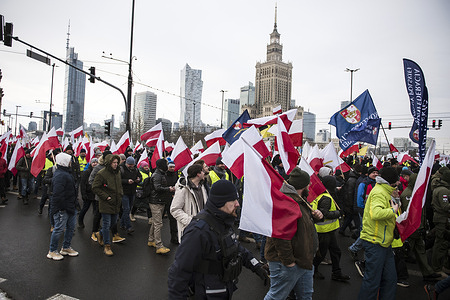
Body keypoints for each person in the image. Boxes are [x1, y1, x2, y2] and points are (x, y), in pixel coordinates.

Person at [168, 180, 268, 299]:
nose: (237, 204)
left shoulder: (223, 221)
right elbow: (178, 272)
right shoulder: (198, 231)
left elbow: (236, 248)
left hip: (224, 290)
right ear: (221, 202)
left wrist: (256, 266)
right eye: (233, 200)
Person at [264, 167, 323, 300]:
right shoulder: (286, 202)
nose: (310, 186)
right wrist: (289, 262)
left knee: (305, 296)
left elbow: (301, 224)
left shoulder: (300, 199)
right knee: (277, 296)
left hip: (303, 260)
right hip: (286, 262)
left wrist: (315, 217)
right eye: (308, 184)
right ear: (303, 186)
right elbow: (280, 236)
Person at [358, 166, 400, 300]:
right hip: (375, 242)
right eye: (397, 180)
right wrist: (393, 210)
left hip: (384, 242)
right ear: (392, 180)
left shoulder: (387, 191)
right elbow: (376, 214)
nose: (399, 182)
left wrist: (396, 201)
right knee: (372, 281)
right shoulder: (379, 192)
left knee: (390, 280)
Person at [400, 173, 441, 282]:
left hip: (418, 228)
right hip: (412, 229)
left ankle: (427, 273)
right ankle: (398, 276)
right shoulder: (408, 194)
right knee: (404, 253)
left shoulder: (417, 193)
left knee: (421, 251)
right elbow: (409, 213)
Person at [312, 175, 350, 282]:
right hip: (324, 231)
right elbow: (324, 214)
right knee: (321, 254)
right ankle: (312, 271)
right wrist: (339, 213)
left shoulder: (324, 194)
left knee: (335, 251)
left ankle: (336, 272)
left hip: (329, 230)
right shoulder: (326, 198)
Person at [46, 153, 78, 260]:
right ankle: (52, 250)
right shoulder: (60, 175)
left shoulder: (66, 173)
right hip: (62, 208)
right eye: (69, 160)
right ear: (64, 162)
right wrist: (62, 208)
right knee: (59, 229)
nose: (71, 162)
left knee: (70, 227)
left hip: (71, 206)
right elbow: (58, 194)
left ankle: (66, 247)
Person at [92, 154, 123, 256]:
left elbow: (119, 185)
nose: (115, 164)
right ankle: (107, 246)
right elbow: (95, 187)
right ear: (109, 163)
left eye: (117, 162)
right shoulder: (101, 173)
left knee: (112, 223)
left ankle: (99, 234)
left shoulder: (117, 172)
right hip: (106, 203)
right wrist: (106, 196)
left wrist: (120, 195)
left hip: (116, 202)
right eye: (113, 163)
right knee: (106, 224)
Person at [170, 164, 208, 243]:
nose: (204, 173)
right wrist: (191, 222)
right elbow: (174, 209)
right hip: (190, 230)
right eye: (202, 171)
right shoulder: (183, 189)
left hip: (203, 228)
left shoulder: (202, 186)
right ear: (198, 174)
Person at [148, 158, 174, 254]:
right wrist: (169, 189)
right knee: (158, 224)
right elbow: (157, 188)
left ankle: (151, 240)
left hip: (160, 201)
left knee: (156, 222)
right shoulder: (157, 175)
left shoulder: (161, 174)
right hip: (156, 202)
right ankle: (159, 246)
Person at [431, 169, 450, 277]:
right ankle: (436, 268)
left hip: (441, 219)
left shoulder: (442, 188)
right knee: (440, 244)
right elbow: (445, 206)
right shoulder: (443, 190)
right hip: (441, 219)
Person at [119, 156, 141, 234]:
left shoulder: (135, 169)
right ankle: (128, 227)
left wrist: (138, 180)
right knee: (126, 209)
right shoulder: (121, 169)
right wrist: (127, 181)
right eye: (129, 165)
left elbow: (140, 176)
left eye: (132, 165)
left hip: (132, 191)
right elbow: (118, 180)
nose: (131, 166)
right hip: (124, 192)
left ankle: (122, 224)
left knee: (128, 208)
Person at [78, 158, 99, 228]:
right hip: (88, 194)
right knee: (85, 209)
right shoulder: (86, 172)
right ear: (91, 163)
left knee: (96, 211)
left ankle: (97, 225)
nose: (95, 164)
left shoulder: (98, 171)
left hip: (95, 194)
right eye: (94, 162)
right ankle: (80, 221)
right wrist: (83, 194)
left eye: (96, 162)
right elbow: (83, 184)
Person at [165, 160, 179, 244]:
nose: (172, 168)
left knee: (173, 219)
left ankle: (174, 237)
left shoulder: (175, 174)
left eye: (173, 167)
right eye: (171, 167)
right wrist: (169, 189)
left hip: (174, 198)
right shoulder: (164, 175)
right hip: (165, 199)